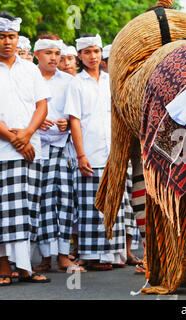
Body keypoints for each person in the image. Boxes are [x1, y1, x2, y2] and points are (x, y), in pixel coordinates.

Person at [64, 33, 127, 271]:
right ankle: (91, 256)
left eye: (97, 51)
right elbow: (75, 120)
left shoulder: (111, 81)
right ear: (79, 56)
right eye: (87, 52)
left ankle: (112, 254)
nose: (93, 56)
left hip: (113, 151)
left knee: (114, 203)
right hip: (89, 150)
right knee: (91, 205)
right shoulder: (76, 83)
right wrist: (81, 155)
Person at [0, 11, 51, 285]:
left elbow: (42, 105)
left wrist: (28, 133)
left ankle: (24, 267)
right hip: (3, 150)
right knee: (4, 210)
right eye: (2, 36)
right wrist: (13, 138)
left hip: (32, 148)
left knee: (29, 208)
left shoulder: (30, 69)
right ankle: (3, 267)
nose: (7, 42)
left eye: (11, 36)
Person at [32, 34, 86, 273]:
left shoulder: (69, 81)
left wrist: (64, 122)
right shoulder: (28, 76)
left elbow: (74, 115)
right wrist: (34, 122)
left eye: (57, 53)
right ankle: (45, 257)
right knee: (40, 202)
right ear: (37, 55)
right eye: (48, 53)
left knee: (64, 200)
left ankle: (63, 255)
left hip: (62, 147)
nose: (54, 58)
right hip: (32, 147)